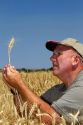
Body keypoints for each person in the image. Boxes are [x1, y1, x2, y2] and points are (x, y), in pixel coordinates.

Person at [3, 38, 83, 125]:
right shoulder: (57, 90)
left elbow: (53, 120)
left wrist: (20, 84)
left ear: (75, 60)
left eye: (58, 54)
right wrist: (15, 90)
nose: (51, 58)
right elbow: (28, 113)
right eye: (53, 54)